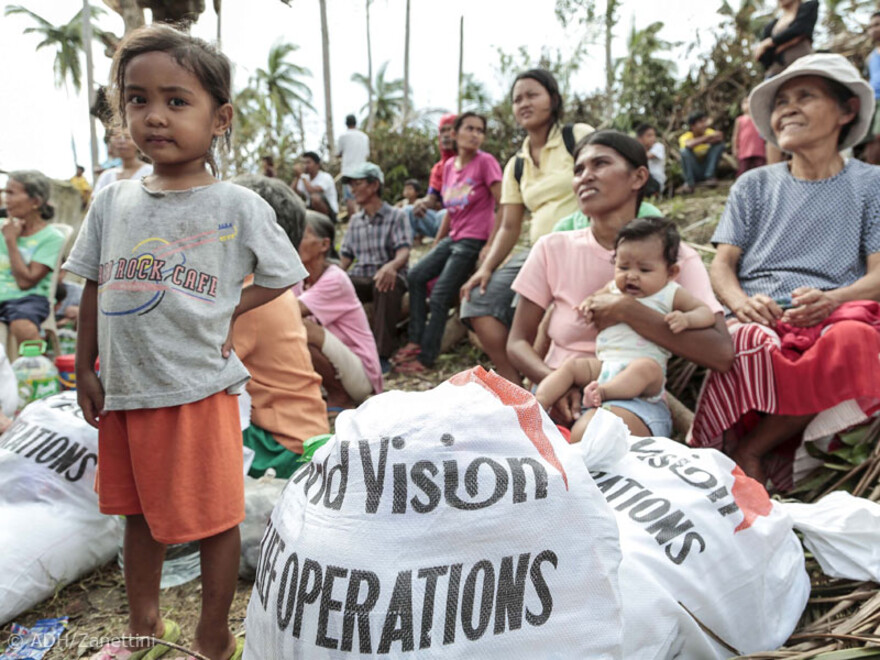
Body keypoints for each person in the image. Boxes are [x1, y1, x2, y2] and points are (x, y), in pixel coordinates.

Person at [65, 24, 305, 660]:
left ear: (219, 117)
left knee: (214, 518)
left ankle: (212, 633)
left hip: (197, 388)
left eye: (177, 101)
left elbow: (283, 275)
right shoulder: (111, 202)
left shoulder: (235, 204)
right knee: (136, 513)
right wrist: (87, 368)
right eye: (137, 101)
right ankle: (147, 626)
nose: (154, 117)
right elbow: (92, 285)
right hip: (125, 389)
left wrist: (224, 309)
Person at [691, 53, 880, 490]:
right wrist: (740, 302)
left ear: (846, 110)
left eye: (805, 97)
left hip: (832, 313)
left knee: (855, 338)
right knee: (750, 340)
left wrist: (833, 299)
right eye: (781, 102)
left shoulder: (871, 184)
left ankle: (755, 449)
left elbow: (877, 275)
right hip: (760, 311)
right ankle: (725, 454)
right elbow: (722, 264)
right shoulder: (753, 185)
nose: (787, 109)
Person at [507, 130, 731, 437]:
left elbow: (720, 352)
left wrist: (627, 310)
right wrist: (557, 383)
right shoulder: (551, 248)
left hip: (632, 397)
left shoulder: (675, 260)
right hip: (555, 390)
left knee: (594, 437)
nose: (585, 176)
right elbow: (517, 342)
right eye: (578, 170)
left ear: (638, 177)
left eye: (600, 164)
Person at [459, 69, 594, 384]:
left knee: (529, 309)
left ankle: (543, 382)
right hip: (537, 251)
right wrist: (487, 267)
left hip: (581, 243)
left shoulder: (578, 136)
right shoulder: (515, 164)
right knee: (476, 300)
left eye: (532, 95)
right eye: (517, 99)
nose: (523, 103)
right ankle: (512, 381)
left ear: (553, 99)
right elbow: (509, 226)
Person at [535, 218, 716, 442]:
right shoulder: (613, 289)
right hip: (605, 366)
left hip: (645, 378)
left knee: (645, 368)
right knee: (572, 366)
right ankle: (536, 402)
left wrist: (686, 319)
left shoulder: (670, 292)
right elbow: (595, 297)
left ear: (671, 272)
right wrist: (588, 305)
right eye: (623, 267)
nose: (631, 275)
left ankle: (603, 394)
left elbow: (705, 312)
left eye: (644, 269)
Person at [230, 175, 328, 479]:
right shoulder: (270, 288)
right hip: (304, 433)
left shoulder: (246, 297)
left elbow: (198, 366)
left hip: (282, 445)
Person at [393, 112, 503, 374]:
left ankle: (426, 358)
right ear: (455, 134)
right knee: (417, 275)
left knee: (442, 293)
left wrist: (491, 243)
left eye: (480, 130)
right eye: (470, 128)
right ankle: (415, 340)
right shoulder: (450, 167)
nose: (475, 134)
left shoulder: (485, 162)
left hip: (473, 240)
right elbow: (451, 213)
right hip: (454, 236)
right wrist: (438, 244)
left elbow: (504, 204)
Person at [296, 211, 383, 414]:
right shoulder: (300, 279)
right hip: (340, 365)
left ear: (324, 245)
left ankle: (341, 397)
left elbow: (288, 311)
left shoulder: (335, 278)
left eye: (303, 235)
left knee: (298, 326)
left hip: (360, 375)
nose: (295, 241)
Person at [339, 162, 411, 370]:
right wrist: (331, 277)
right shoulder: (355, 221)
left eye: (358, 184)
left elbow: (404, 251)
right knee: (337, 284)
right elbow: (346, 257)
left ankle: (381, 355)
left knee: (385, 284)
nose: (352, 190)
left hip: (387, 275)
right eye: (351, 185)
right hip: (362, 277)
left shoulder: (396, 216)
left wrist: (391, 267)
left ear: (374, 186)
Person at [0, 170, 66, 345]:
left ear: (35, 201)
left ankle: (36, 369)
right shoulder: (3, 226)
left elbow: (26, 282)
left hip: (27, 298)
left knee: (23, 326)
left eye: (11, 193)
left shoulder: (51, 237)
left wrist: (11, 241)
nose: (6, 198)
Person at [407, 114, 457, 240]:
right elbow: (431, 198)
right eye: (442, 131)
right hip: (442, 220)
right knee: (407, 211)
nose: (446, 135)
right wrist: (421, 203)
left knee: (445, 214)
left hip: (466, 221)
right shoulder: (438, 168)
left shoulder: (473, 162)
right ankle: (402, 252)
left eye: (450, 129)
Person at [756, 0, 818, 78]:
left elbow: (800, 29)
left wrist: (770, 42)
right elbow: (762, 54)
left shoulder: (809, 7)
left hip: (804, 68)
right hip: (776, 74)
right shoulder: (772, 25)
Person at [93, 127, 153, 194]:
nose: (122, 142)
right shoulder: (107, 176)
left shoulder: (151, 172)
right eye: (117, 138)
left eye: (127, 137)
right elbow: (94, 202)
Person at [677, 111, 725, 194]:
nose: (704, 124)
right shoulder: (685, 137)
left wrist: (698, 141)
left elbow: (719, 136)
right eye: (700, 122)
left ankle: (710, 176)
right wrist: (708, 138)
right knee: (684, 151)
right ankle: (689, 183)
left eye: (704, 121)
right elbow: (688, 144)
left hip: (707, 168)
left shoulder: (708, 131)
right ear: (693, 126)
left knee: (719, 145)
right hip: (695, 171)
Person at [336, 113, 370, 219]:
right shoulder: (364, 136)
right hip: (362, 172)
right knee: (361, 197)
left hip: (348, 172)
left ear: (346, 124)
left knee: (350, 198)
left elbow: (338, 153)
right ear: (356, 123)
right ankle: (362, 220)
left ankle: (354, 222)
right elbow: (367, 154)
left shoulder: (343, 136)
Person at [291, 151, 339, 223]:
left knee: (315, 198)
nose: (305, 166)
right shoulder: (305, 178)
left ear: (317, 165)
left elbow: (312, 191)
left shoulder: (326, 177)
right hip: (312, 212)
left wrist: (301, 175)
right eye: (303, 163)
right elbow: (292, 192)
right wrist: (297, 177)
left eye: (308, 163)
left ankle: (325, 223)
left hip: (330, 213)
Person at [732, 96, 767, 177]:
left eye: (750, 101)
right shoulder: (739, 120)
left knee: (761, 169)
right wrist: (735, 148)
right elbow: (735, 136)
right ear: (741, 106)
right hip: (744, 150)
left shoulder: (759, 118)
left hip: (758, 149)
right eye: (745, 102)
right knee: (743, 170)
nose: (748, 104)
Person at [864, 12, 880, 164]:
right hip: (872, 100)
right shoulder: (871, 57)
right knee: (870, 140)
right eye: (871, 26)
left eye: (877, 25)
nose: (873, 29)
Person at [635, 124, 666, 194]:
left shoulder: (658, 147)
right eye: (649, 136)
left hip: (655, 182)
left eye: (654, 135)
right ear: (640, 138)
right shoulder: (638, 150)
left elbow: (645, 157)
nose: (653, 138)